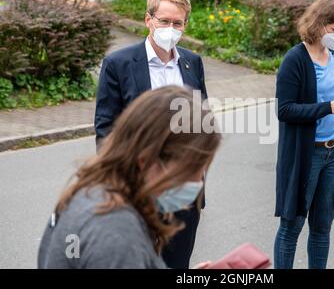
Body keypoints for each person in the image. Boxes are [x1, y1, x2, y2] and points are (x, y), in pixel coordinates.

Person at [38, 86, 221, 269]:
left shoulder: (93, 193)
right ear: (146, 160)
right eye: (191, 170)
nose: (198, 182)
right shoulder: (117, 232)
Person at [94, 0, 207, 268]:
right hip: (138, 188)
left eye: (177, 23)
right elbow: (106, 128)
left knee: (177, 264)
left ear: (185, 25)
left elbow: (203, 122)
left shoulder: (192, 63)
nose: (170, 28)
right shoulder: (118, 64)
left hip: (183, 191)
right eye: (164, 21)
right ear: (148, 20)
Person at [274, 0, 334, 269]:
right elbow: (285, 110)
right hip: (307, 155)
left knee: (322, 228)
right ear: (320, 25)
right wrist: (327, 108)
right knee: (291, 226)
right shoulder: (295, 59)